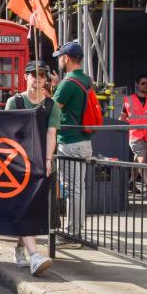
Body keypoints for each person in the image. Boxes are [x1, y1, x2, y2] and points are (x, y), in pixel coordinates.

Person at [4, 61, 57, 276]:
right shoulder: (14, 102)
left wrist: (47, 160)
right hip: (18, 164)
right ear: (26, 77)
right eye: (33, 74)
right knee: (24, 208)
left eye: (42, 75)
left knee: (32, 210)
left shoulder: (51, 105)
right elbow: (6, 132)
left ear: (46, 79)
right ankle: (34, 255)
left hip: (40, 164)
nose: (38, 78)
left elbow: (51, 133)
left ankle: (20, 247)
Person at [52, 41, 94, 239]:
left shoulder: (68, 82)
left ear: (66, 58)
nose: (59, 61)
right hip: (84, 141)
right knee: (79, 189)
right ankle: (76, 231)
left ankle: (72, 234)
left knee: (72, 190)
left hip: (70, 142)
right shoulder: (87, 80)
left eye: (60, 57)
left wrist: (53, 90)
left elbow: (52, 109)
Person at [121, 73, 147, 195]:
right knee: (142, 158)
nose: (146, 85)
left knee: (137, 160)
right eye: (143, 83)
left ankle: (131, 183)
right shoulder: (128, 100)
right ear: (137, 84)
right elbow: (122, 118)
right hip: (135, 135)